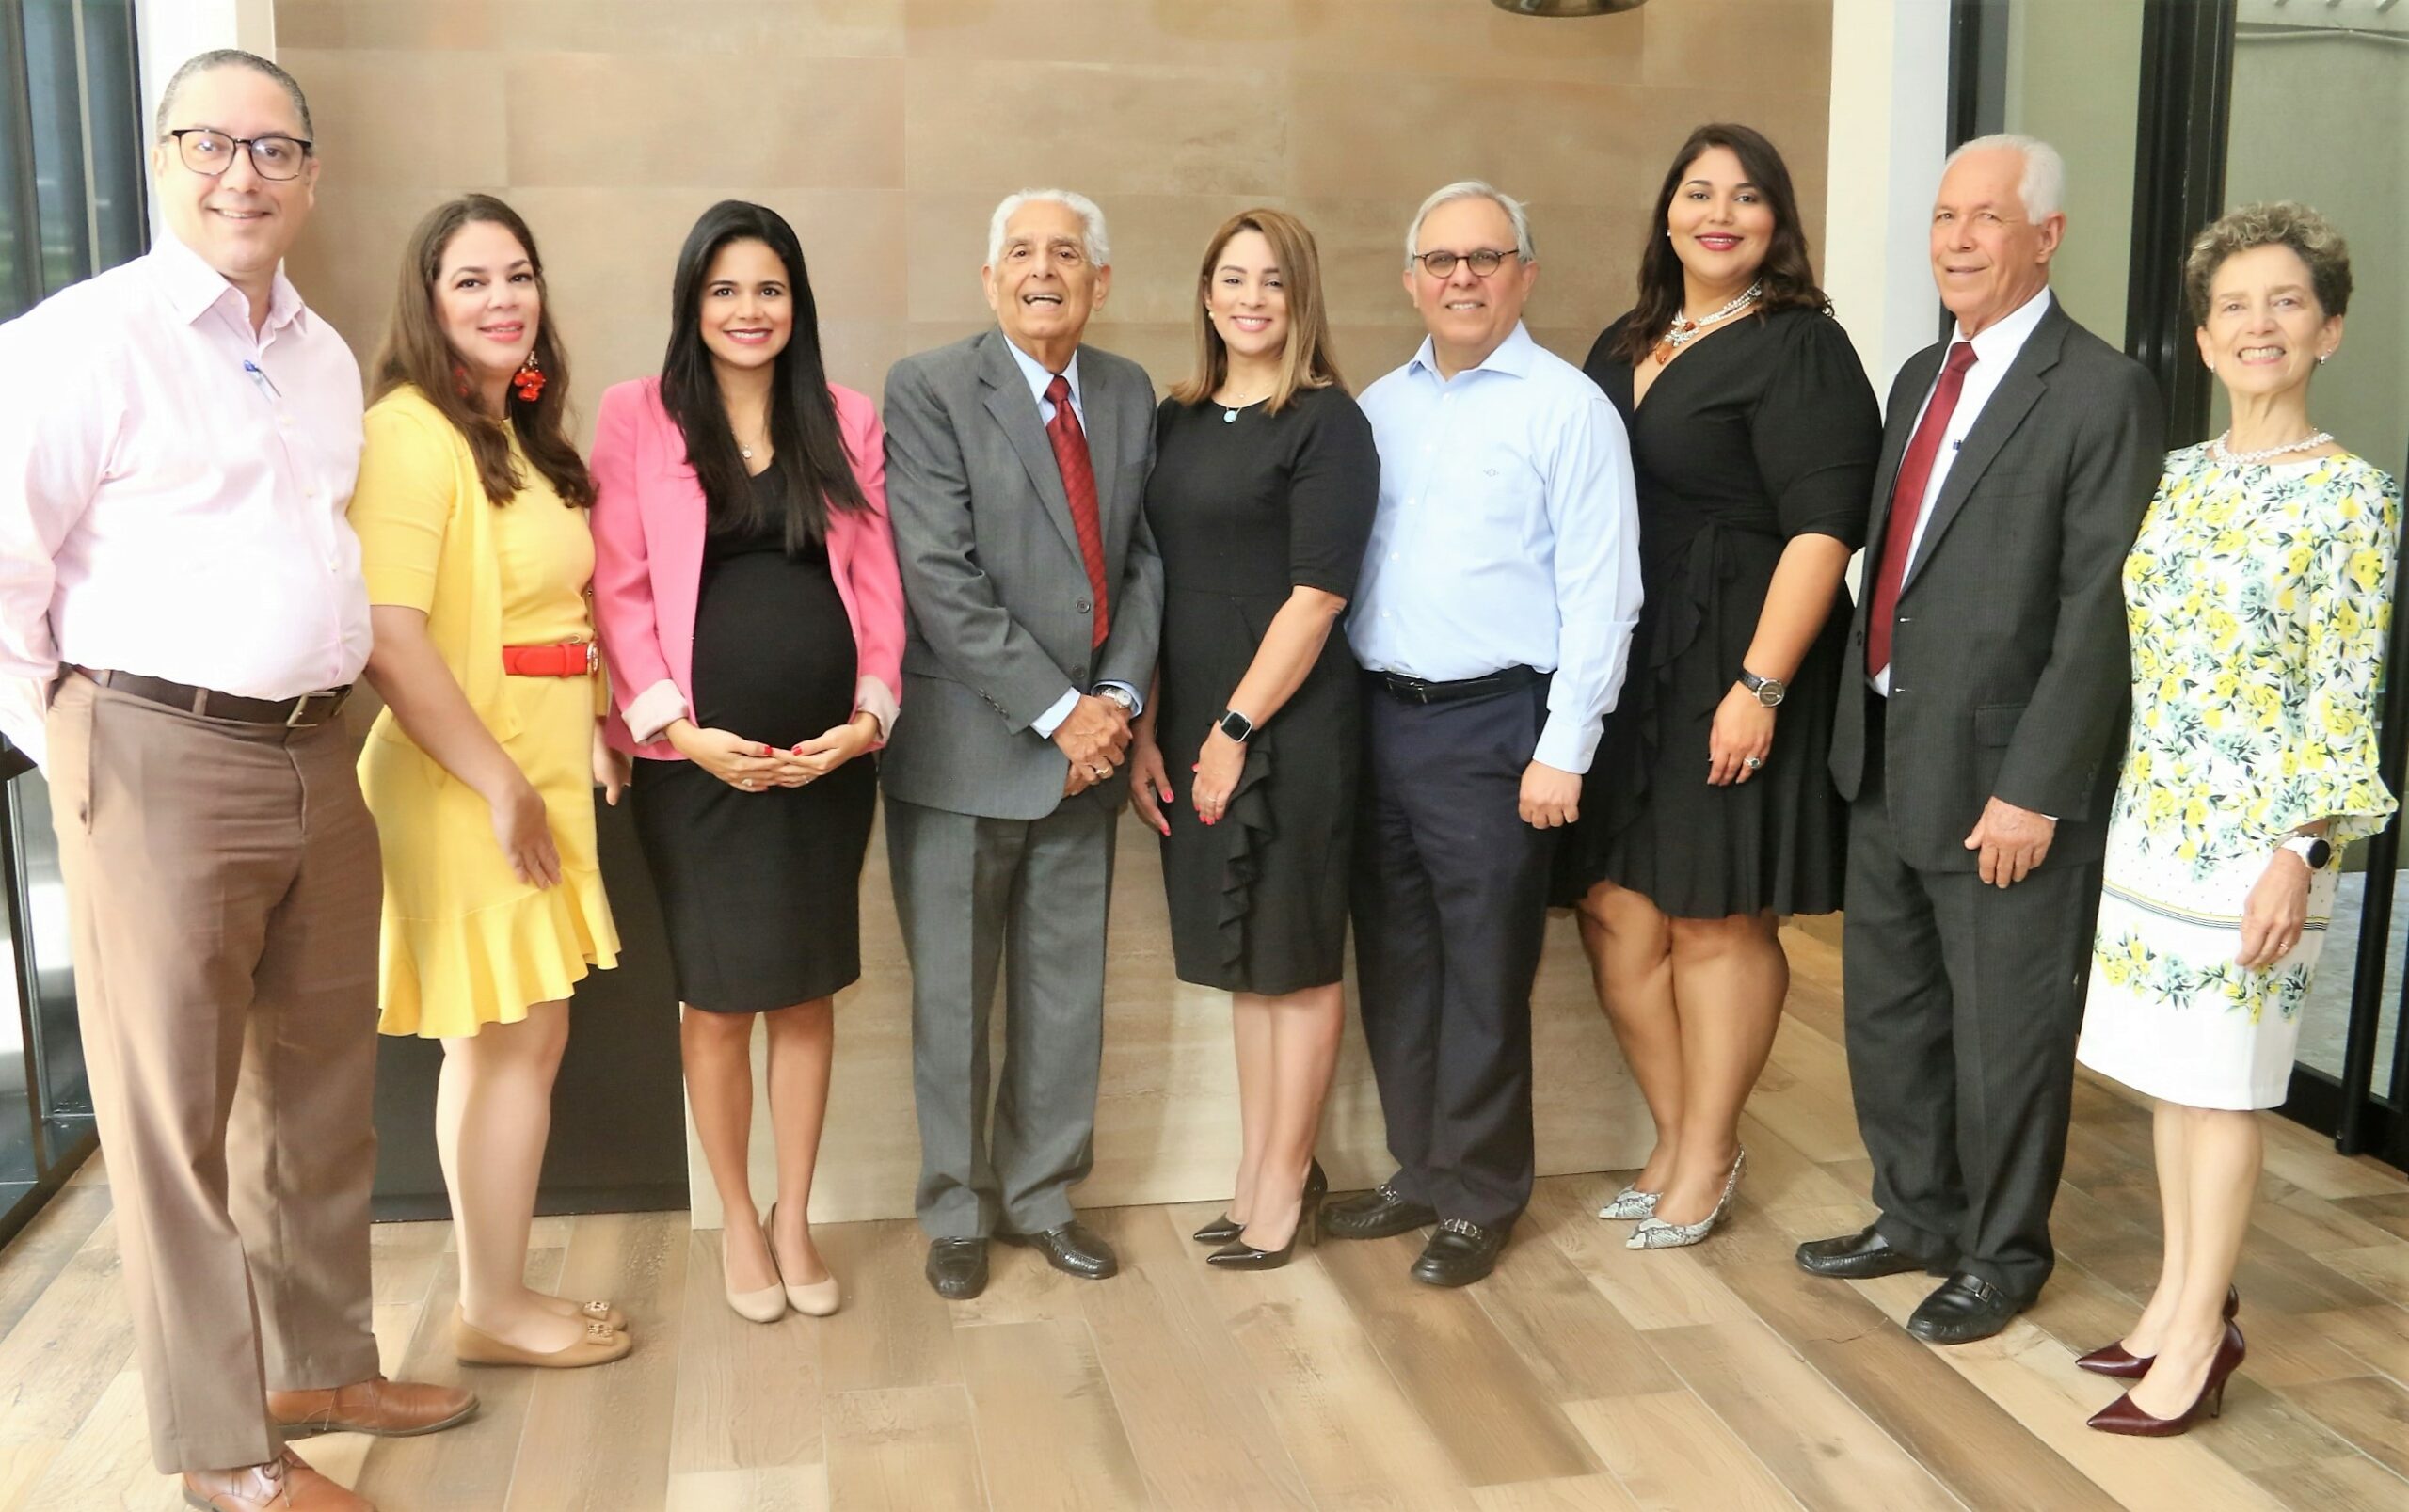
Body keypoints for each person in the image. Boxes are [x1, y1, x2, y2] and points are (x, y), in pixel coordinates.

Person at [0, 50, 473, 1512]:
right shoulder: (81, 342)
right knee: (173, 1125)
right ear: (162, 161)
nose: (241, 174)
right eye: (209, 143)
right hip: (154, 754)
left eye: (274, 150)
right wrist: (76, 750)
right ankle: (225, 1451)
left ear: (311, 177)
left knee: (321, 1091)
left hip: (318, 750)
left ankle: (321, 1364)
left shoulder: (323, 355)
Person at [1799, 135, 2165, 1345]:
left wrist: (2035, 788)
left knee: (2005, 1035)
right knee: (1890, 1012)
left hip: (2004, 779)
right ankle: (1915, 1213)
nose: (1956, 241)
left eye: (1985, 218)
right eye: (1944, 217)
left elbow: (2099, 608)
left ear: (2045, 236)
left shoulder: (2101, 390)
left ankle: (2003, 1254)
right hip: (1886, 748)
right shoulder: (1919, 374)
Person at [2074, 203, 2398, 1436]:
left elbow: (2343, 690)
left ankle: (2203, 1337)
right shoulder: (2173, 479)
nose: (2259, 324)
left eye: (2285, 302)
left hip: (2262, 846)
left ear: (2329, 329)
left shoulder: (2355, 499)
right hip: (2155, 825)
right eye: (2233, 306)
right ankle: (2176, 1297)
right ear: (2204, 341)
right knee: (2174, 1080)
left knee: (2224, 1089)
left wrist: (2300, 853)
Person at [1561, 124, 1879, 1250]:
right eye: (1698, 192)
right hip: (1632, 661)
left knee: (1716, 914)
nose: (1719, 214)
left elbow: (1823, 530)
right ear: (1666, 211)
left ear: (1775, 221)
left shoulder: (1802, 344)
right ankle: (1679, 1134)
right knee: (1614, 907)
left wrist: (1760, 685)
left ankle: (1704, 1150)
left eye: (1746, 197)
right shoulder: (1622, 340)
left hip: (1744, 655)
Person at [1327, 181, 1642, 1287]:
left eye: (1485, 257)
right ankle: (1421, 1168)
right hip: (1378, 719)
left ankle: (1480, 1193)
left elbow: (1604, 593)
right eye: (1441, 260)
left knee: (1482, 970)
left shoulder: (1569, 410)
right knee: (1398, 960)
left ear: (1525, 274)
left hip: (1498, 726)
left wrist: (1564, 745)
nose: (1461, 277)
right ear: (1411, 278)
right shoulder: (1377, 407)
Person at [592, 200, 901, 1323]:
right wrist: (676, 729)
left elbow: (880, 585)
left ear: (796, 303)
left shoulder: (846, 418)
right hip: (696, 768)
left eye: (768, 288)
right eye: (724, 289)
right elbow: (617, 584)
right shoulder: (637, 413)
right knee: (718, 1001)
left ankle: (794, 1215)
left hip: (827, 766)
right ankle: (735, 1215)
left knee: (807, 993)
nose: (747, 309)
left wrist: (868, 716)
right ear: (693, 301)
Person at [351, 194, 627, 1369]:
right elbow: (389, 634)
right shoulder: (409, 432)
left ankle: (494, 1290)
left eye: (518, 273)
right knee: (506, 1037)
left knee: (524, 1037)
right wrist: (501, 785)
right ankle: (493, 1306)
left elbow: (549, 607)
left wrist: (598, 721)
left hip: (537, 760)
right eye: (470, 279)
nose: (502, 298)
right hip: (466, 773)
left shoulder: (511, 430)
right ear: (427, 302)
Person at [881, 188, 1162, 1301]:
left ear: (1100, 279)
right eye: (1022, 252)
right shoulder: (932, 387)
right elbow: (937, 574)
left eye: (1067, 253)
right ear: (990, 277)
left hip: (1091, 758)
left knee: (1063, 996)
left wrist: (1118, 697)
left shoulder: (1129, 392)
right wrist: (1061, 709)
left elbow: (1142, 560)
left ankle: (1043, 1198)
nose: (1044, 269)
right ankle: (956, 1210)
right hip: (966, 752)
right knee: (953, 1001)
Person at [1125, 208, 1379, 1269]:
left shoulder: (1328, 423)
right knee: (1246, 960)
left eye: (1273, 279)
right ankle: (1259, 1167)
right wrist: (1150, 727)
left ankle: (1285, 1179)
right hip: (1189, 718)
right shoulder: (1175, 418)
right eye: (1232, 277)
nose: (1251, 298)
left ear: (1300, 295)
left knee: (1297, 958)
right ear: (1205, 291)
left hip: (1289, 721)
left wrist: (1234, 726)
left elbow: (1318, 597)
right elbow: (1151, 580)